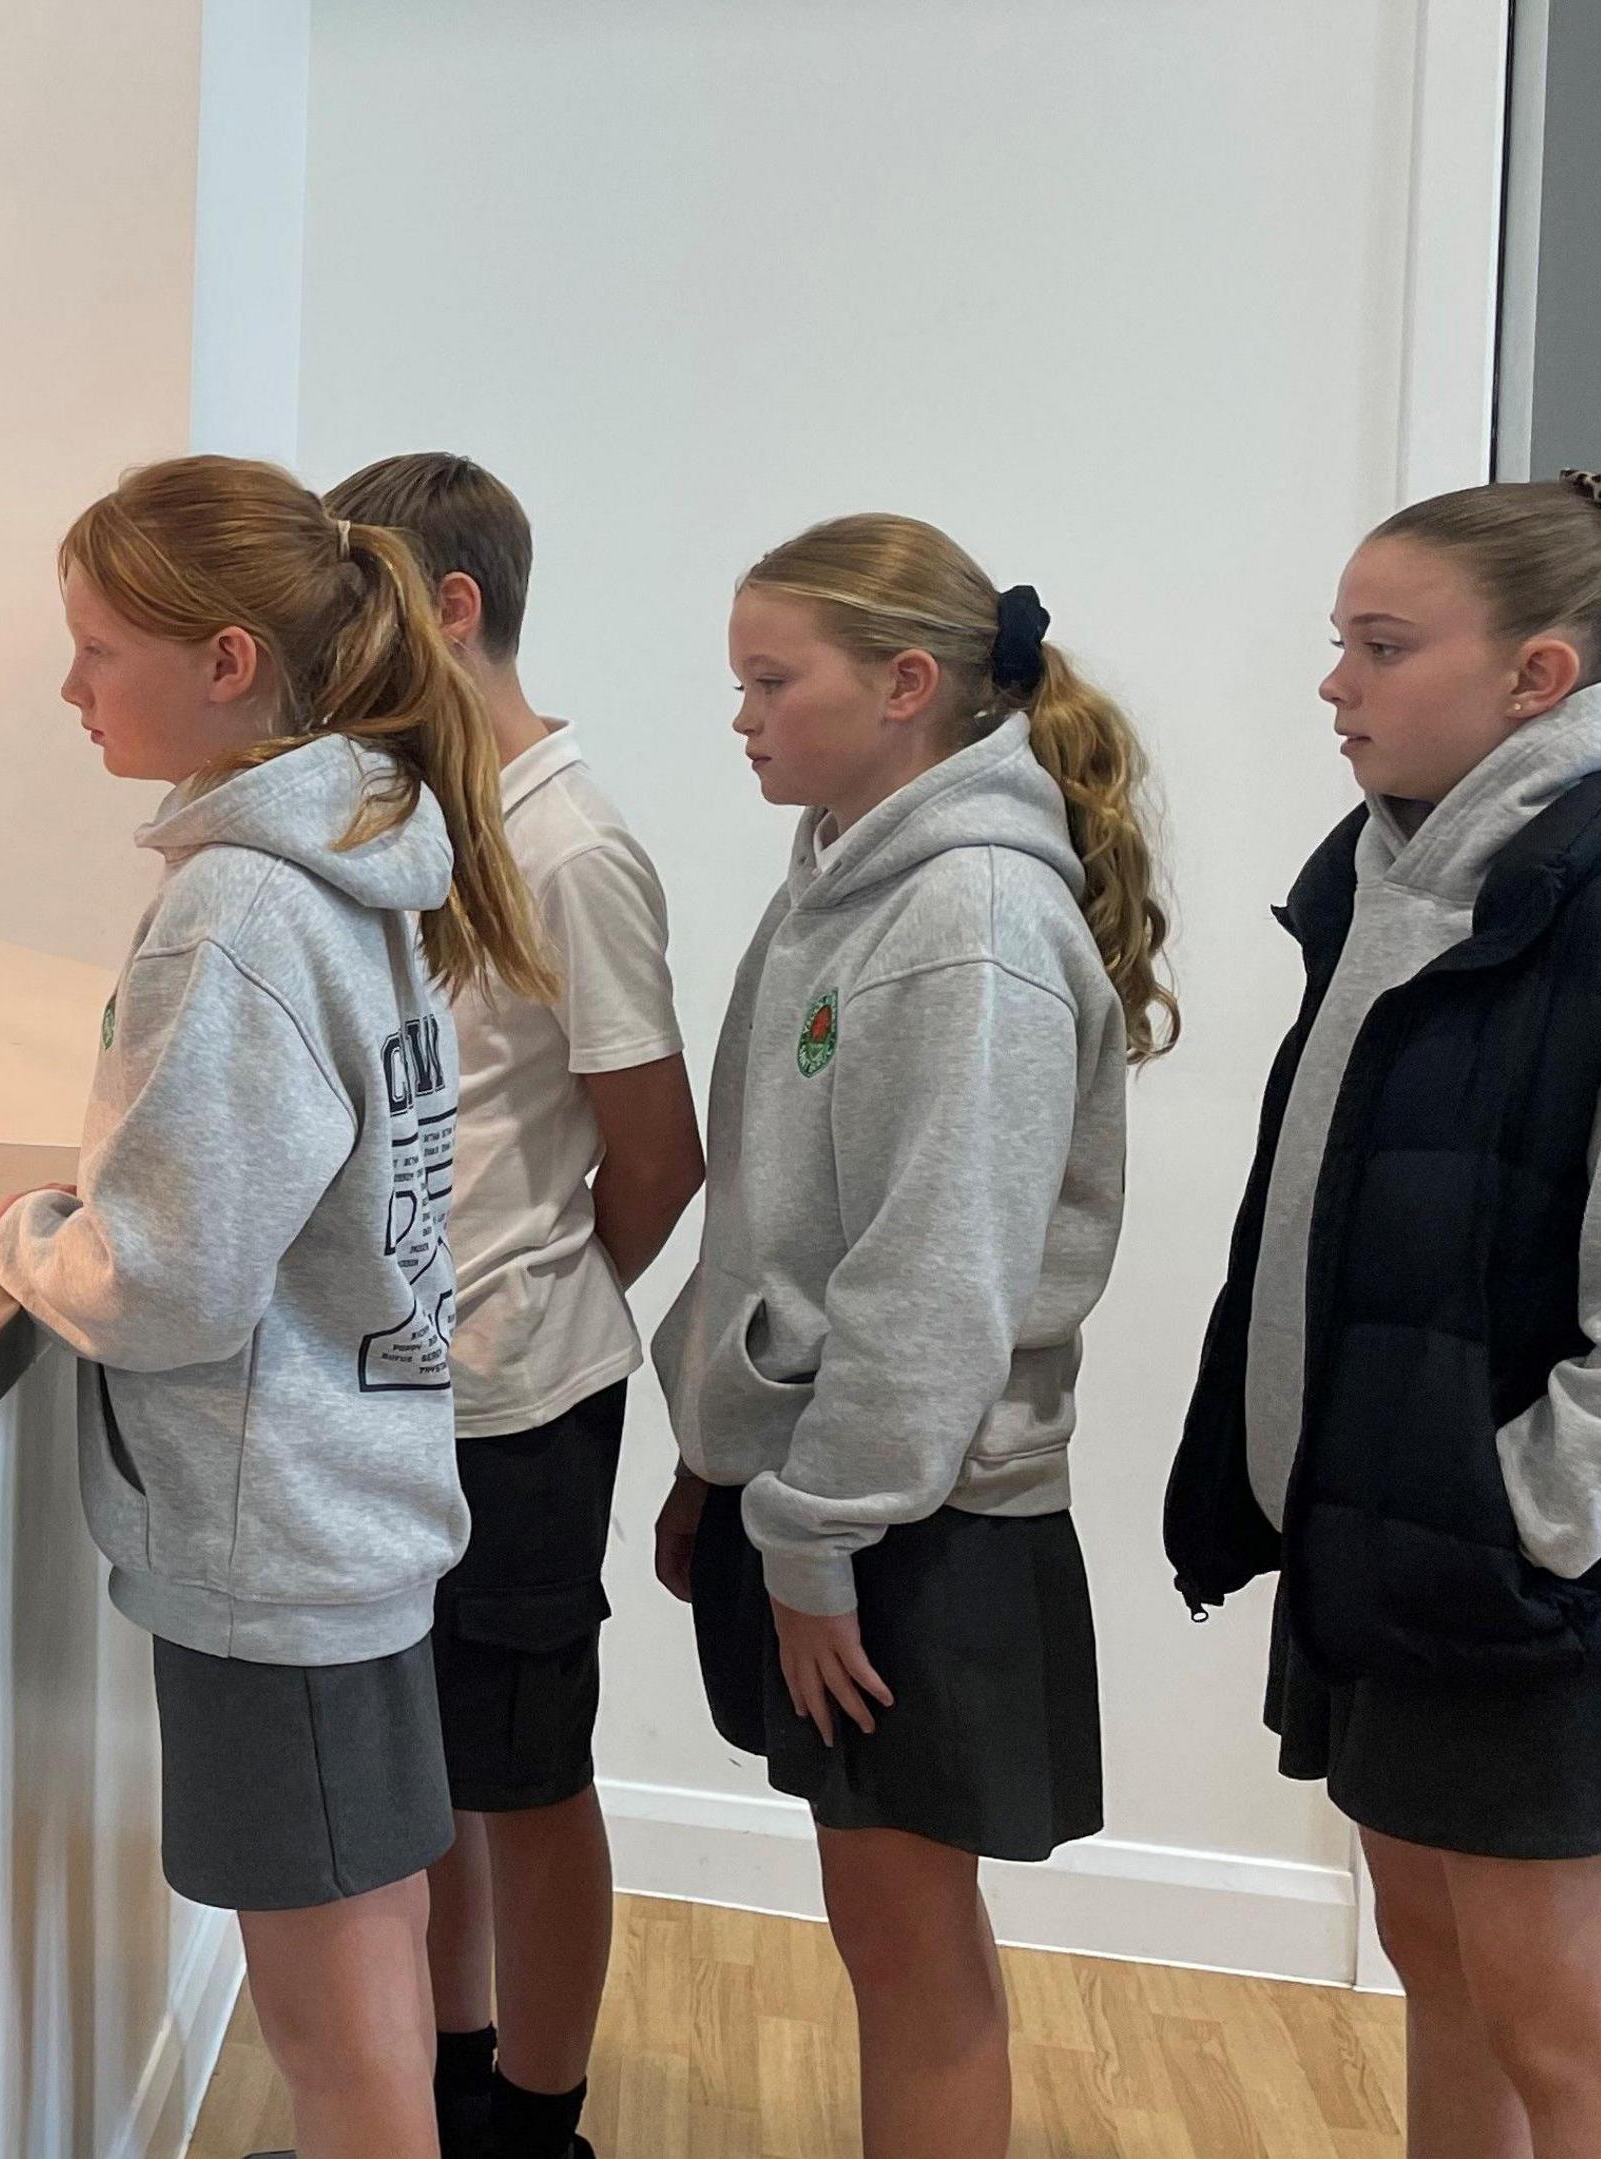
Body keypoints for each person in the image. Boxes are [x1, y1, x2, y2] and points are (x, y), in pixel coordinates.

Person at [0, 455, 551, 2159]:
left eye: (97, 648)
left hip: (272, 1541)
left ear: (227, 662)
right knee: (360, 1986)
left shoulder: (239, 905)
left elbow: (163, 1280)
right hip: (348, 1505)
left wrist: (25, 1234)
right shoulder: (358, 863)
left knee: (337, 2034)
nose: (71, 687)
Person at [1166, 472, 1601, 2159]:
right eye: (1343, 641)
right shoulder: (1394, 895)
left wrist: (1515, 1528)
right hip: (1385, 1553)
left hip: (1513, 1586)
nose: (1337, 682)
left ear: (1539, 677)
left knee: (1563, 2022)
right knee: (1439, 1966)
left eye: (1384, 645)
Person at [655, 514, 1172, 2159]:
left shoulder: (970, 919)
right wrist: (712, 1454)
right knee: (884, 1928)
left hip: (905, 1523)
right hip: (828, 1492)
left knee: (910, 1948)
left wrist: (810, 1532)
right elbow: (778, 1209)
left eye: (768, 678)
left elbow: (935, 1275)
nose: (739, 714)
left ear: (905, 683)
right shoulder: (841, 877)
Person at [325, 453, 701, 2159]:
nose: (335, 659)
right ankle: (458, 2074)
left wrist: (536, 1303)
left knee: (528, 1783)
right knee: (428, 1777)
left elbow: (657, 1153)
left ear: (452, 609)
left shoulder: (572, 845)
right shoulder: (412, 821)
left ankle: (539, 2121)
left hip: (522, 1402)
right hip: (400, 1393)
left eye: (357, 615)